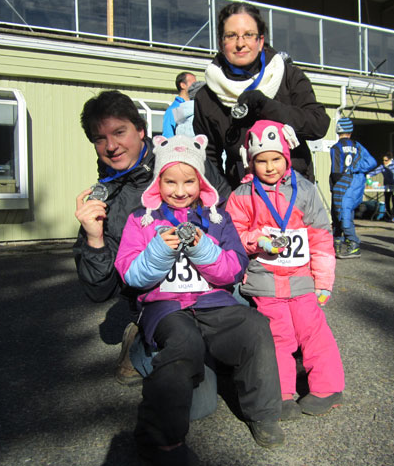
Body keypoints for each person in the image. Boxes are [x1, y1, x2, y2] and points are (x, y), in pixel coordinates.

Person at [114, 134, 285, 464]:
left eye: (189, 181)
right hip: (166, 308)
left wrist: (202, 247)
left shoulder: (218, 218)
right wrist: (160, 250)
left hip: (212, 303)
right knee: (184, 344)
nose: (180, 191)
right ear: (157, 183)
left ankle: (263, 413)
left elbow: (232, 271)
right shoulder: (141, 220)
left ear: (201, 181)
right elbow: (132, 276)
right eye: (170, 182)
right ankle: (158, 439)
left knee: (254, 327)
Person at [73, 90, 231, 386]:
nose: (111, 146)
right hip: (158, 299)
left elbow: (228, 219)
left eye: (120, 132)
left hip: (211, 282)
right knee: (194, 387)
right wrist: (94, 239)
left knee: (245, 338)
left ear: (141, 130)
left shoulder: (184, 157)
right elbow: (100, 291)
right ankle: (141, 341)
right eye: (99, 138)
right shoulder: (104, 200)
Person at [226, 119, 344, 419]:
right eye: (261, 161)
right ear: (250, 162)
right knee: (278, 337)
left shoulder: (305, 190)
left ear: (286, 157)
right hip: (265, 282)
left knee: (314, 333)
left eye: (276, 159)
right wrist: (257, 240)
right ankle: (281, 393)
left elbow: (320, 237)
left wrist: (324, 282)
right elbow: (232, 236)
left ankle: (327, 387)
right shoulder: (241, 196)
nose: (269, 167)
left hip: (302, 280)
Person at [193, 1, 330, 189]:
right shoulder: (206, 96)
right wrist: (225, 199)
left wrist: (266, 106)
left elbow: (318, 124)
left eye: (249, 35)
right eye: (231, 36)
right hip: (243, 200)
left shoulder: (288, 76)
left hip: (295, 195)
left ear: (260, 41)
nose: (240, 44)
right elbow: (209, 157)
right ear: (220, 43)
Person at [330, 117, 377, 258]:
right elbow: (372, 162)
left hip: (342, 186)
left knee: (340, 215)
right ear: (350, 131)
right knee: (346, 214)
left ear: (338, 130)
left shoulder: (336, 148)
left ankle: (352, 244)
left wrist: (334, 185)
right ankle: (338, 244)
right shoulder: (358, 146)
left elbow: (336, 171)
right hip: (355, 186)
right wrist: (357, 168)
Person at [162, 72, 196, 138]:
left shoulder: (196, 106)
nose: (196, 86)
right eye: (193, 83)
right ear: (183, 85)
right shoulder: (174, 109)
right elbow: (168, 136)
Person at [367, 153, 394, 222]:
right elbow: (376, 171)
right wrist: (368, 175)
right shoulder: (382, 166)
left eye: (386, 160)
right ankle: (388, 215)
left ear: (390, 160)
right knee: (387, 201)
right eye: (383, 160)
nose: (384, 162)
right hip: (386, 186)